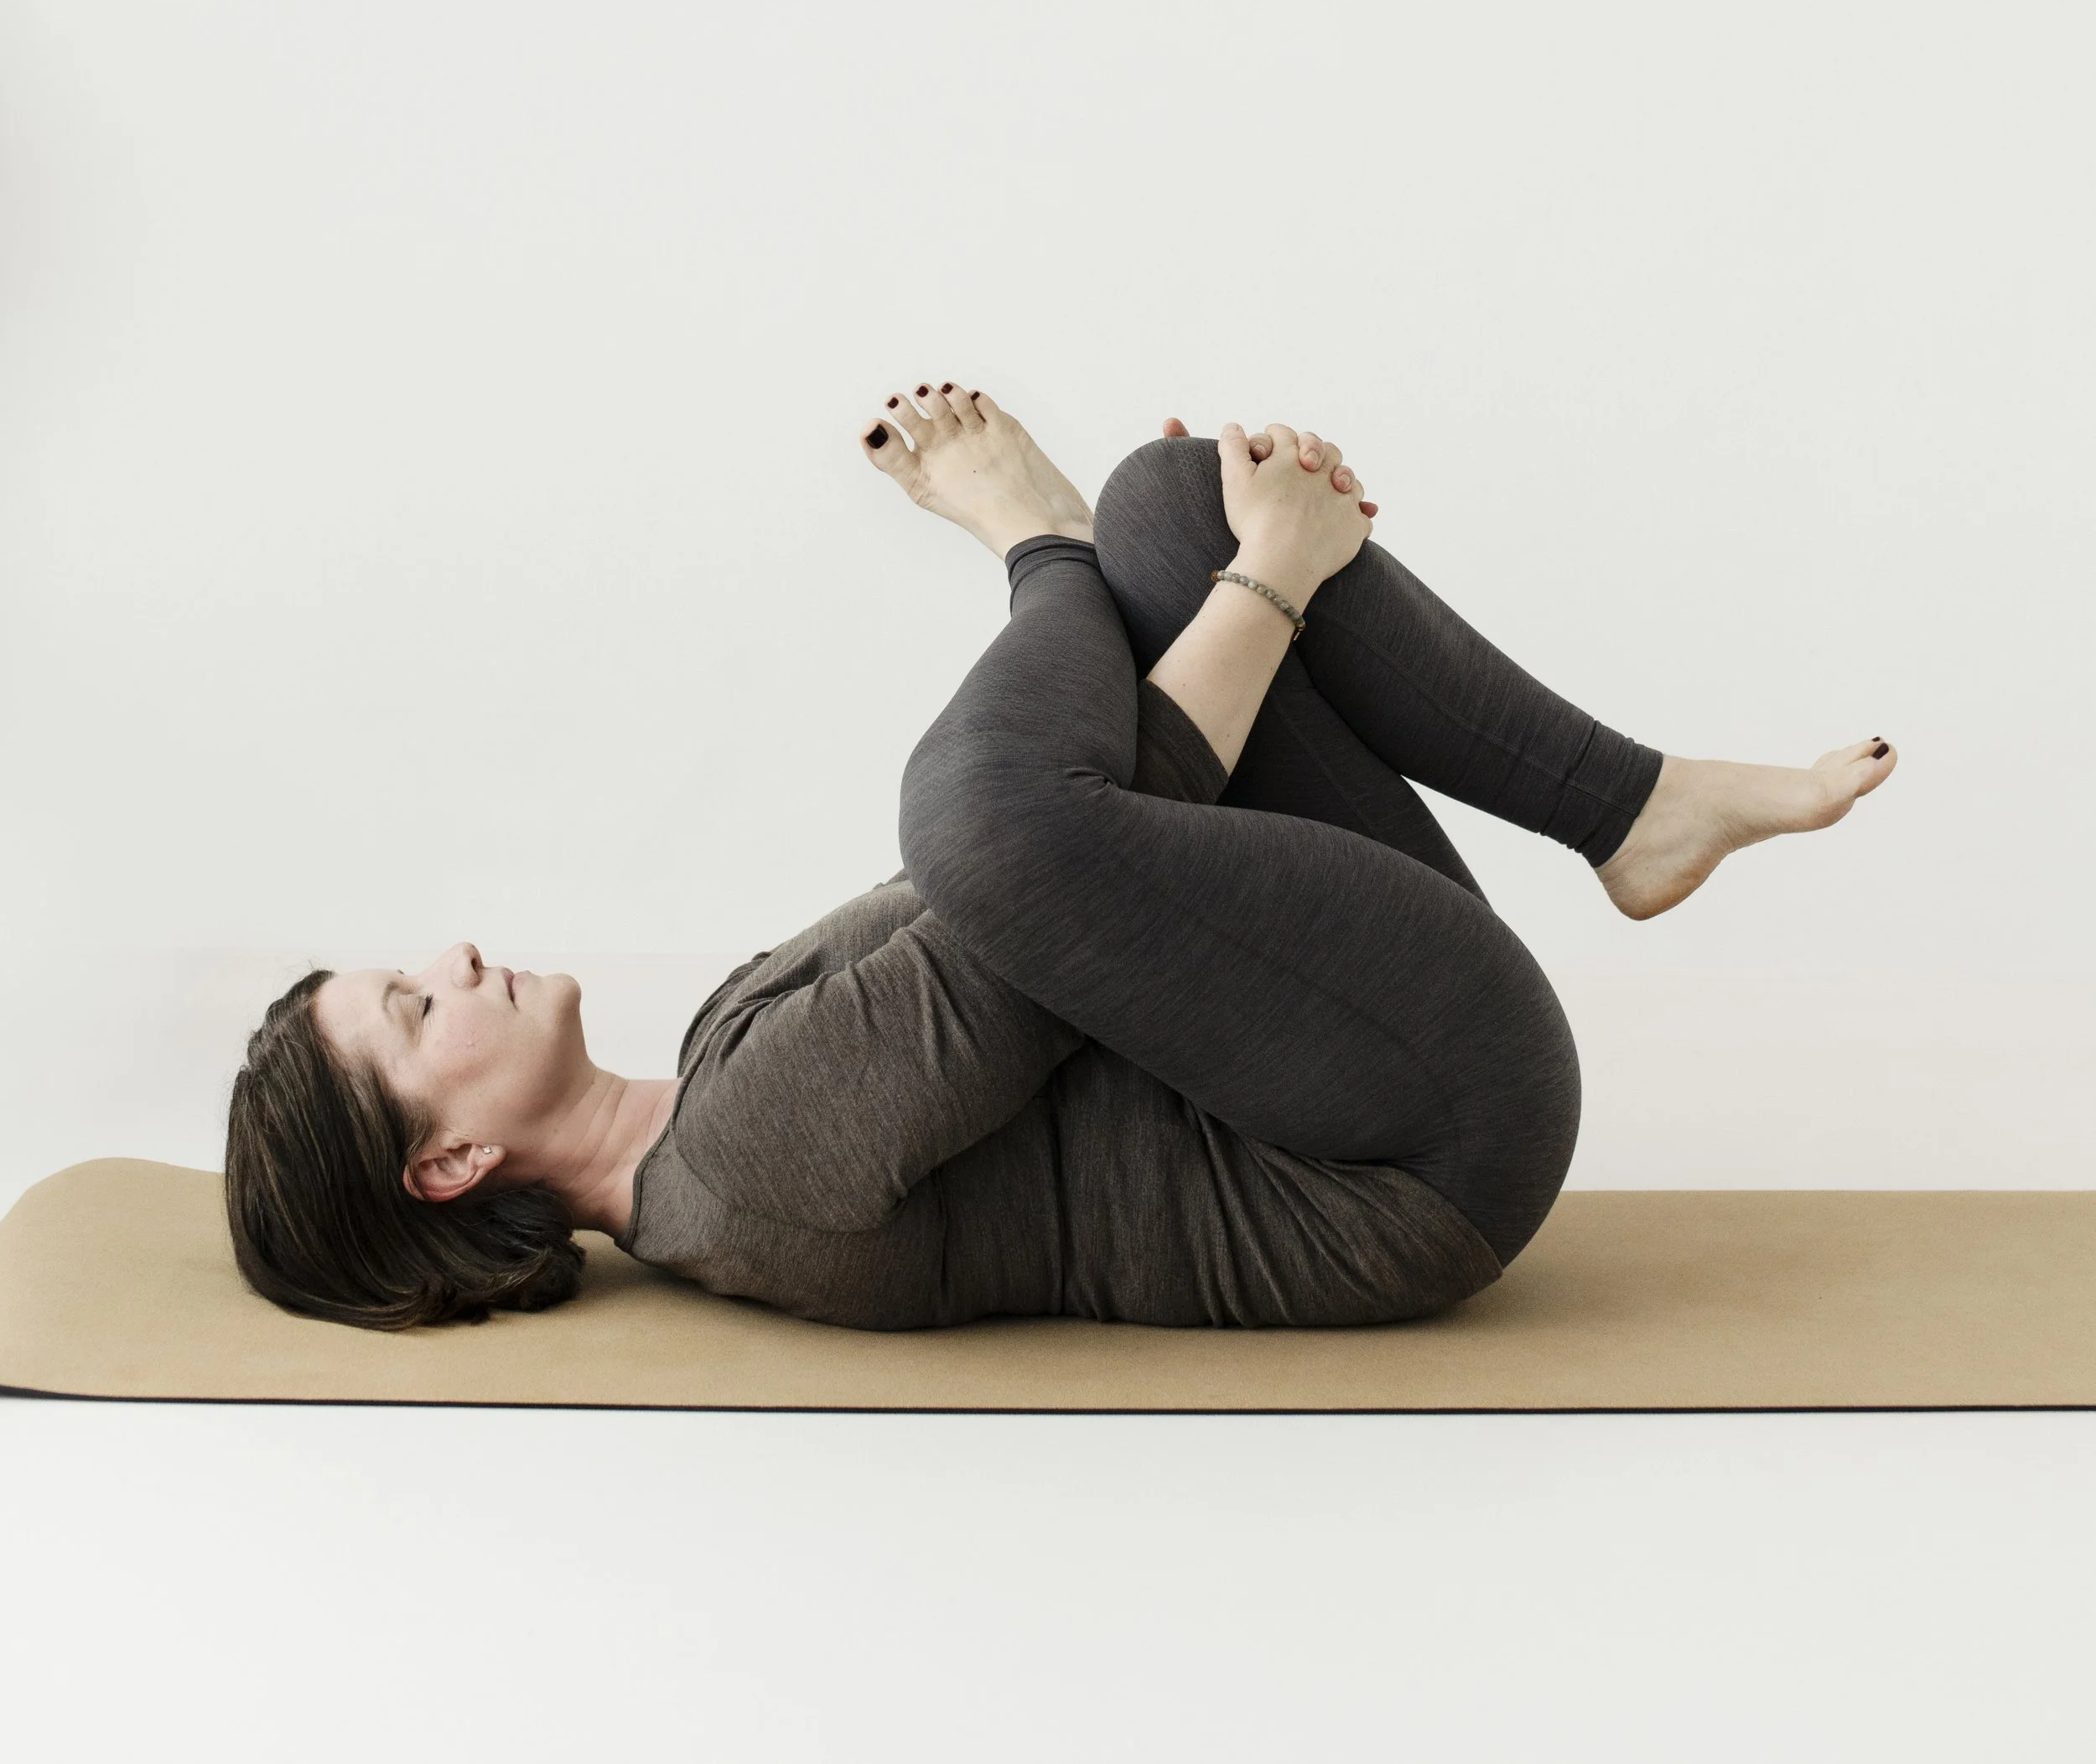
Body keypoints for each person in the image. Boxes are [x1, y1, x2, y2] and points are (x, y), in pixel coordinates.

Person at [225, 389, 1897, 1333]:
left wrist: (1215, 576)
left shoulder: (717, 1062)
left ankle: (1629, 809)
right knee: (983, 819)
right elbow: (1032, 876)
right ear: (449, 1163)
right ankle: (1039, 537)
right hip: (1419, 1151)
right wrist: (1112, 561)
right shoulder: (743, 1160)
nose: (449, 956)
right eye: (412, 1008)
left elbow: (1090, 857)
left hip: (1335, 1047)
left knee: (1170, 507)